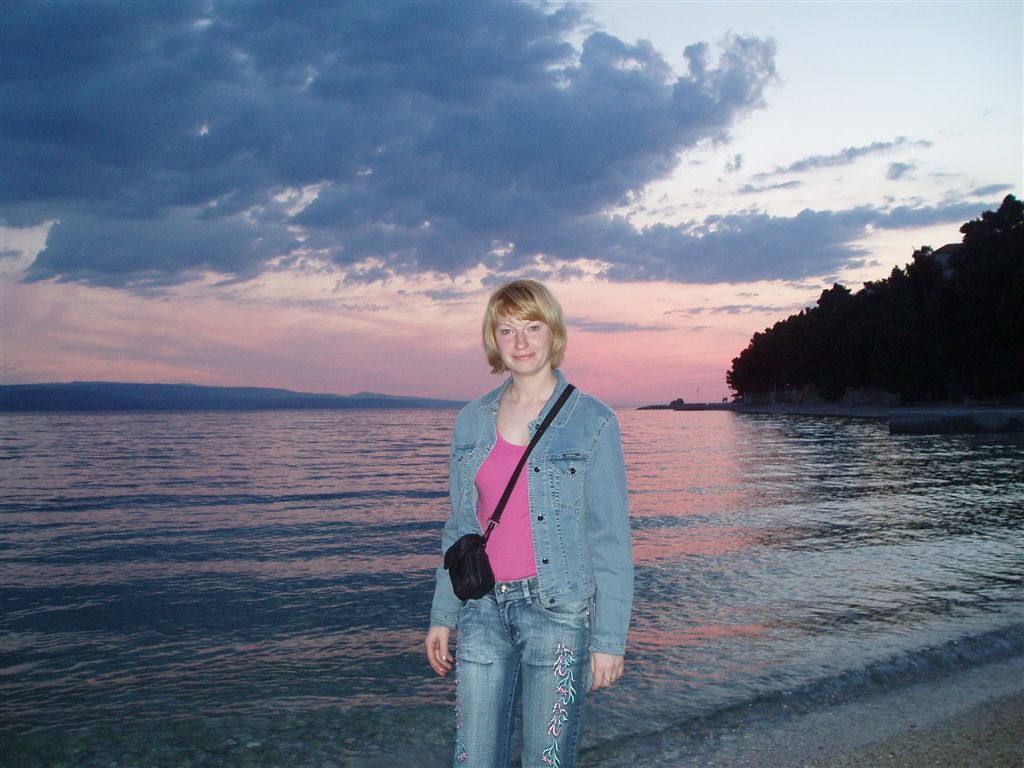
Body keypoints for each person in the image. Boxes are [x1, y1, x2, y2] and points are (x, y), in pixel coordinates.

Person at [425, 279, 633, 768]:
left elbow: (610, 537)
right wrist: (442, 614)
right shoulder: (471, 420)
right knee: (473, 758)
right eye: (507, 330)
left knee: (547, 759)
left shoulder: (593, 421)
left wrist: (609, 640)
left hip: (558, 611)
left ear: (552, 332)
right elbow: (460, 526)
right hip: (480, 607)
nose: (520, 342)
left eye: (532, 327)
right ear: (493, 339)